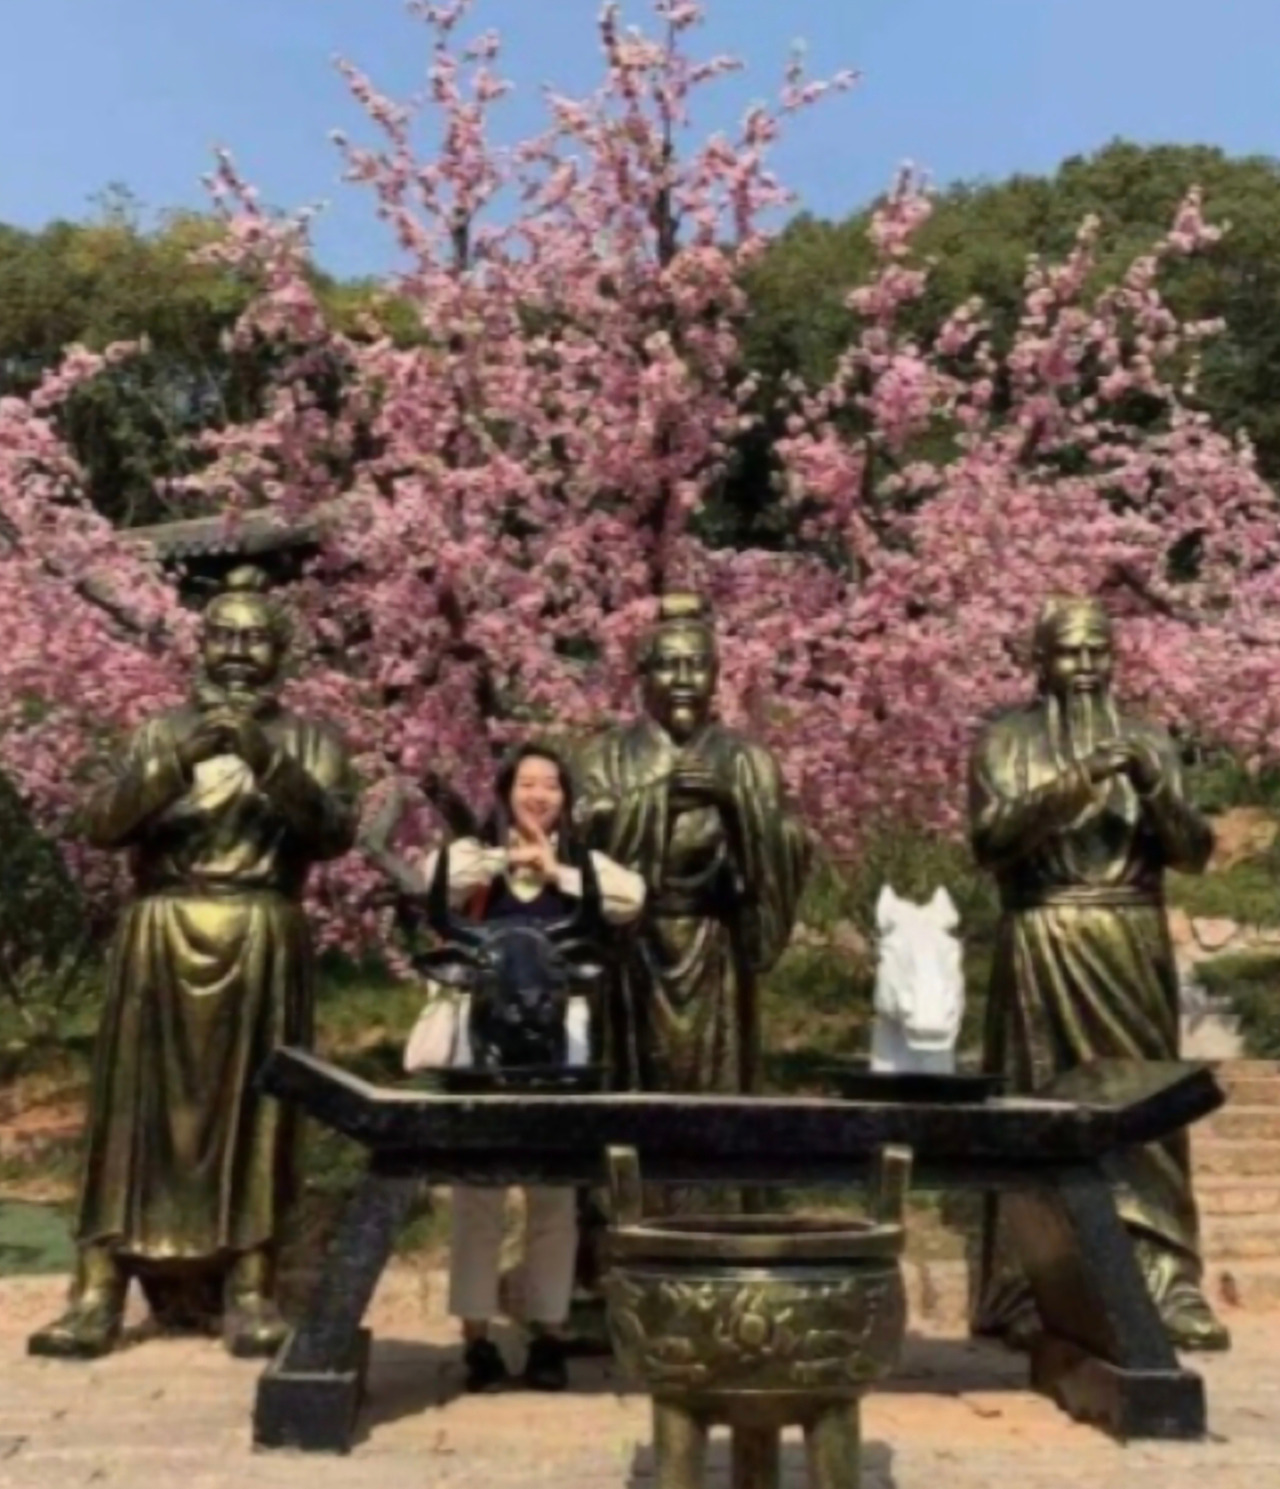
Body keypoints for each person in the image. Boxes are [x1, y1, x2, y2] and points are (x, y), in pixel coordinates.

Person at [29, 566, 360, 1360]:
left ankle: (250, 1284)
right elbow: (102, 824)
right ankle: (98, 1286)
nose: (238, 651)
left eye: (256, 637)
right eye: (223, 635)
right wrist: (177, 763)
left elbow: (334, 832)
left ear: (281, 651)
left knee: (259, 1111)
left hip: (260, 930)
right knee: (131, 1114)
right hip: (162, 927)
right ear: (200, 644)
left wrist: (270, 763)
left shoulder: (313, 739)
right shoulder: (158, 732)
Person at [969, 594, 1228, 1351]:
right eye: (1069, 651)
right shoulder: (1005, 740)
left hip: (1129, 937)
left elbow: (1193, 852)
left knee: (1146, 1106)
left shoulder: (1149, 738)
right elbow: (990, 840)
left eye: (1097, 651)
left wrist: (1153, 787)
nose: (1085, 665)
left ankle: (1167, 1282)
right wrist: (1079, 780)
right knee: (1035, 1101)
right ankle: (1025, 1285)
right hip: (1043, 931)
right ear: (1039, 660)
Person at [400, 743, 646, 1392]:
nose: (539, 795)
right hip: (483, 1032)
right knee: (477, 1190)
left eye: (551, 785)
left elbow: (630, 898)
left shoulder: (582, 862)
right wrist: (503, 858)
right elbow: (430, 880)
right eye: (527, 783)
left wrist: (554, 868)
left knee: (554, 1192)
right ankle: (477, 1335)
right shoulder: (475, 855)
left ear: (567, 798)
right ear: (506, 792)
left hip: (559, 1032)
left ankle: (547, 1332)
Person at [574, 594, 811, 1209]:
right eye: (667, 665)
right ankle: (628, 1222)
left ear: (717, 675)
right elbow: (581, 837)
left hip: (717, 943)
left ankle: (720, 1218)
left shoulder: (748, 760)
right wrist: (657, 799)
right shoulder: (605, 756)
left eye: (696, 665)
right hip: (633, 951)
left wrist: (736, 806)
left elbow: (789, 842)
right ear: (642, 676)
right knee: (633, 1095)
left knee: (719, 1092)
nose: (683, 679)